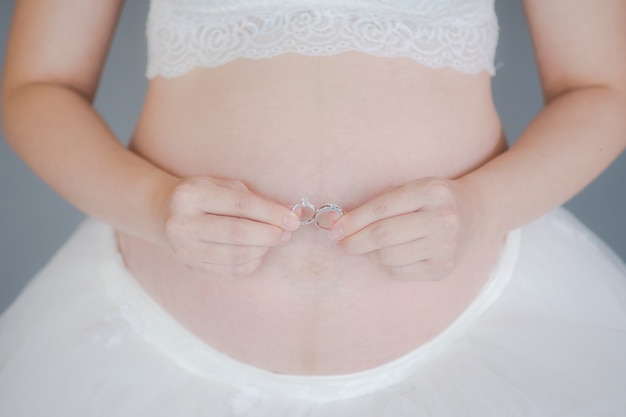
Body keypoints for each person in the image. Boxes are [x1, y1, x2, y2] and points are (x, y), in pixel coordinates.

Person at [1, 0, 626, 415]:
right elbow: (38, 86)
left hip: (488, 334)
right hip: (144, 344)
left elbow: (603, 88)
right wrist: (152, 203)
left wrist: (485, 207)